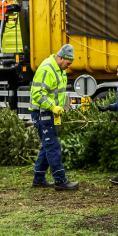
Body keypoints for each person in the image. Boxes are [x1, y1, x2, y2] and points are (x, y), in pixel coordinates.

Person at [29, 44, 79, 191]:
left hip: (50, 112)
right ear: (61, 58)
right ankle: (60, 180)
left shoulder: (59, 69)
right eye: (68, 63)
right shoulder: (47, 69)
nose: (69, 66)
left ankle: (38, 179)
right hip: (43, 112)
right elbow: (38, 94)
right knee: (53, 146)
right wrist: (52, 106)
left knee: (47, 145)